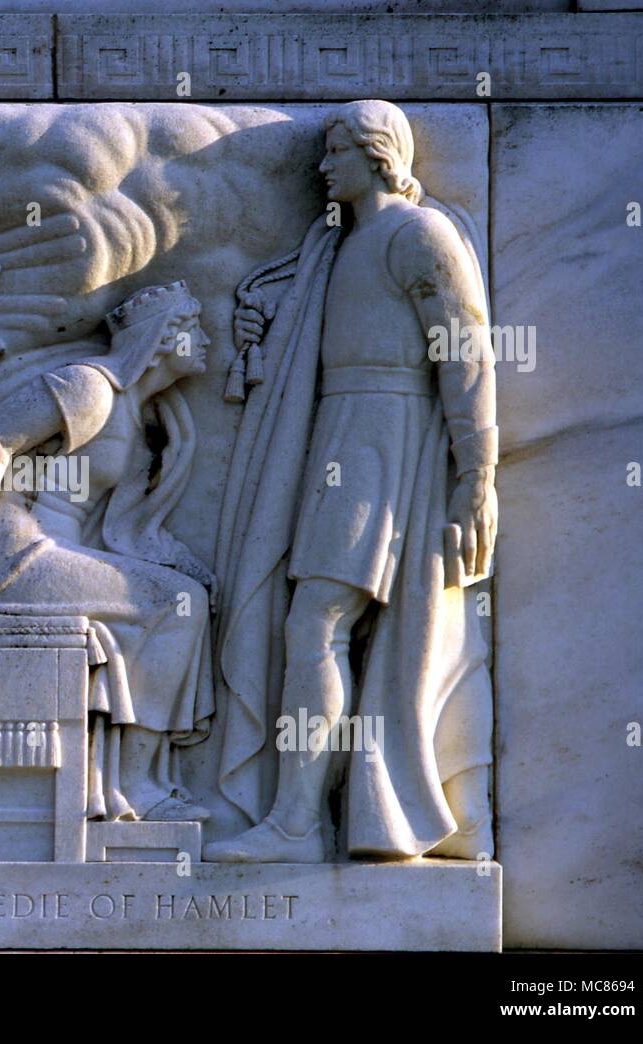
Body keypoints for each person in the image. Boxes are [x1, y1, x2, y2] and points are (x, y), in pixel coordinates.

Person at [209, 101, 497, 862]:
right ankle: (305, 815)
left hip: (386, 435)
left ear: (379, 154)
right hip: (336, 430)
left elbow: (465, 359)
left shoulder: (419, 236)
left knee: (316, 624)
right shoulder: (333, 246)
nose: (322, 164)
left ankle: (298, 822)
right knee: (310, 623)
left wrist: (477, 476)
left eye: (336, 149)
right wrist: (263, 337)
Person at [0, 281, 217, 822]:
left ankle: (136, 780)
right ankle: (139, 786)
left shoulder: (143, 419)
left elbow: (127, 533)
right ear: (164, 338)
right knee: (180, 605)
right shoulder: (91, 388)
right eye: (195, 327)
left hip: (60, 552)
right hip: (15, 554)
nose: (208, 340)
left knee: (188, 598)